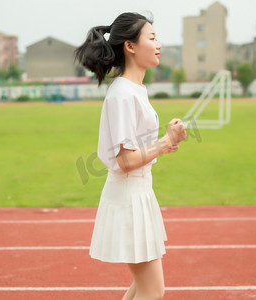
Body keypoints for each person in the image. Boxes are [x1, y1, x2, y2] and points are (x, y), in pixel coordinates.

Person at [75, 12, 186, 300]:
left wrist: (169, 140)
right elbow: (124, 161)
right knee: (152, 291)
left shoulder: (135, 90)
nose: (158, 44)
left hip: (139, 194)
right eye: (151, 38)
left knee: (144, 288)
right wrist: (164, 142)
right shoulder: (123, 93)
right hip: (128, 197)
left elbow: (136, 150)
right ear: (130, 46)